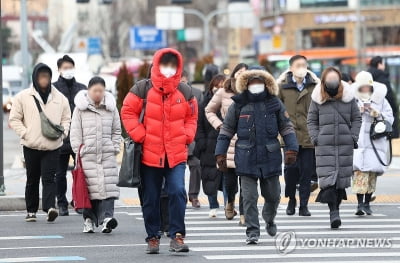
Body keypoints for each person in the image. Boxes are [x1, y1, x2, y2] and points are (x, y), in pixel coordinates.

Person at [121, 48, 197, 254]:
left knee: (177, 192)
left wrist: (187, 136)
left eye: (173, 65)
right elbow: (127, 111)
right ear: (156, 65)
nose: (169, 69)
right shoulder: (142, 89)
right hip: (148, 155)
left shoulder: (186, 91)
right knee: (151, 197)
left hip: (176, 155)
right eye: (165, 64)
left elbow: (192, 117)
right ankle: (153, 237)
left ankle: (177, 236)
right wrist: (141, 135)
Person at [215, 70, 298, 244]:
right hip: (246, 157)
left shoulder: (275, 103)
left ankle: (269, 218)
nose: (256, 86)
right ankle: (252, 230)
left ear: (266, 84)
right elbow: (226, 131)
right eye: (252, 83)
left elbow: (287, 127)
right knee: (249, 197)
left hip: (270, 157)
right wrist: (220, 154)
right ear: (245, 85)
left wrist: (292, 149)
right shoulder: (238, 104)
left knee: (274, 195)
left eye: (259, 82)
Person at [9, 63, 71, 222]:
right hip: (31, 145)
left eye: (47, 76)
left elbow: (66, 118)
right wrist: (25, 133)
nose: (44, 79)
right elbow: (14, 119)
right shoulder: (23, 97)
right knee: (32, 178)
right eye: (41, 76)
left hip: (52, 145)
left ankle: (50, 207)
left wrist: (63, 133)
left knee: (49, 178)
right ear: (35, 78)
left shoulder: (59, 98)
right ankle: (31, 211)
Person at [307, 67, 361, 229]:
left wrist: (353, 137)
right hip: (324, 146)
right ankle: (333, 212)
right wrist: (316, 138)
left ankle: (336, 210)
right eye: (329, 79)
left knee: (340, 182)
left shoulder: (348, 98)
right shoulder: (317, 99)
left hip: (345, 144)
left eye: (335, 79)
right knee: (328, 181)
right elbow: (312, 121)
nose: (332, 82)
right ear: (324, 81)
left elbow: (356, 118)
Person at [70, 76, 121, 234]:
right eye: (95, 90)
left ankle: (107, 219)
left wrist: (115, 147)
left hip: (107, 155)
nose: (98, 94)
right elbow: (75, 132)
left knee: (108, 188)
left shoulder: (111, 107)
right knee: (89, 191)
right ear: (89, 90)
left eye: (101, 90)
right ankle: (88, 220)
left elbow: (116, 130)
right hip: (88, 156)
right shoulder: (80, 108)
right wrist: (80, 149)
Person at [276, 55, 320, 217]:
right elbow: (277, 109)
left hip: (309, 135)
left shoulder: (315, 86)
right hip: (289, 136)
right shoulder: (282, 87)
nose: (302, 67)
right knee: (291, 170)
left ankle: (304, 204)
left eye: (304, 64)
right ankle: (291, 199)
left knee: (307, 172)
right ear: (291, 68)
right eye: (298, 65)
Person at [205, 63, 248, 225]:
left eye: (245, 72)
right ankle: (230, 202)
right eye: (239, 72)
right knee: (230, 180)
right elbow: (209, 110)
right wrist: (219, 125)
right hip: (229, 140)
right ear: (234, 73)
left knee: (247, 179)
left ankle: (244, 214)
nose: (241, 74)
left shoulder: (251, 92)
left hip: (248, 141)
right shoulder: (224, 91)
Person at [352, 71, 393, 216]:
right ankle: (359, 204)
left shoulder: (381, 100)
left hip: (375, 141)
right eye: (362, 87)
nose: (365, 90)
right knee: (359, 174)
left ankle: (367, 203)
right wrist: (359, 111)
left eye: (367, 87)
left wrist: (377, 114)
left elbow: (390, 117)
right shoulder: (353, 100)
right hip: (358, 142)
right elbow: (346, 116)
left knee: (371, 175)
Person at [53, 55, 87, 216]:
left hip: (78, 137)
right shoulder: (53, 89)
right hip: (60, 138)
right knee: (59, 174)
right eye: (65, 68)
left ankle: (78, 200)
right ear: (59, 69)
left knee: (80, 172)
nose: (68, 71)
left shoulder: (82, 88)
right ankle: (62, 203)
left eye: (70, 68)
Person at [194, 74, 226, 218]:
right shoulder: (204, 105)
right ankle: (213, 205)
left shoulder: (229, 103)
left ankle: (228, 205)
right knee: (209, 178)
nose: (218, 89)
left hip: (225, 146)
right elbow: (198, 126)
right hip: (208, 148)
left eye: (222, 86)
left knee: (227, 177)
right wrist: (202, 143)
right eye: (216, 86)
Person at [182, 70, 204, 208]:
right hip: (175, 139)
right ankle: (180, 196)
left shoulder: (196, 94)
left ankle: (194, 195)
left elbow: (200, 118)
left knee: (195, 165)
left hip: (192, 138)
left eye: (183, 81)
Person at [368, 56, 399, 138]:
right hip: (383, 111)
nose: (384, 66)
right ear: (379, 64)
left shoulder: (368, 77)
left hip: (369, 114)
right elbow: (389, 96)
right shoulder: (381, 77)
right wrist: (394, 109)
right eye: (383, 64)